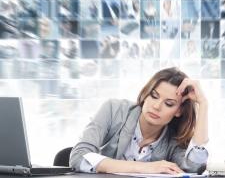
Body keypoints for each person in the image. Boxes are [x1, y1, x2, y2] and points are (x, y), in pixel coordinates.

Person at [70, 67, 209, 174]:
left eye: (169, 104)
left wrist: (203, 104)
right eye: (154, 96)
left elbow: (193, 167)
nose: (156, 106)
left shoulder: (173, 138)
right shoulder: (114, 110)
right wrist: (143, 168)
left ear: (179, 111)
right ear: (145, 94)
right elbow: (79, 157)